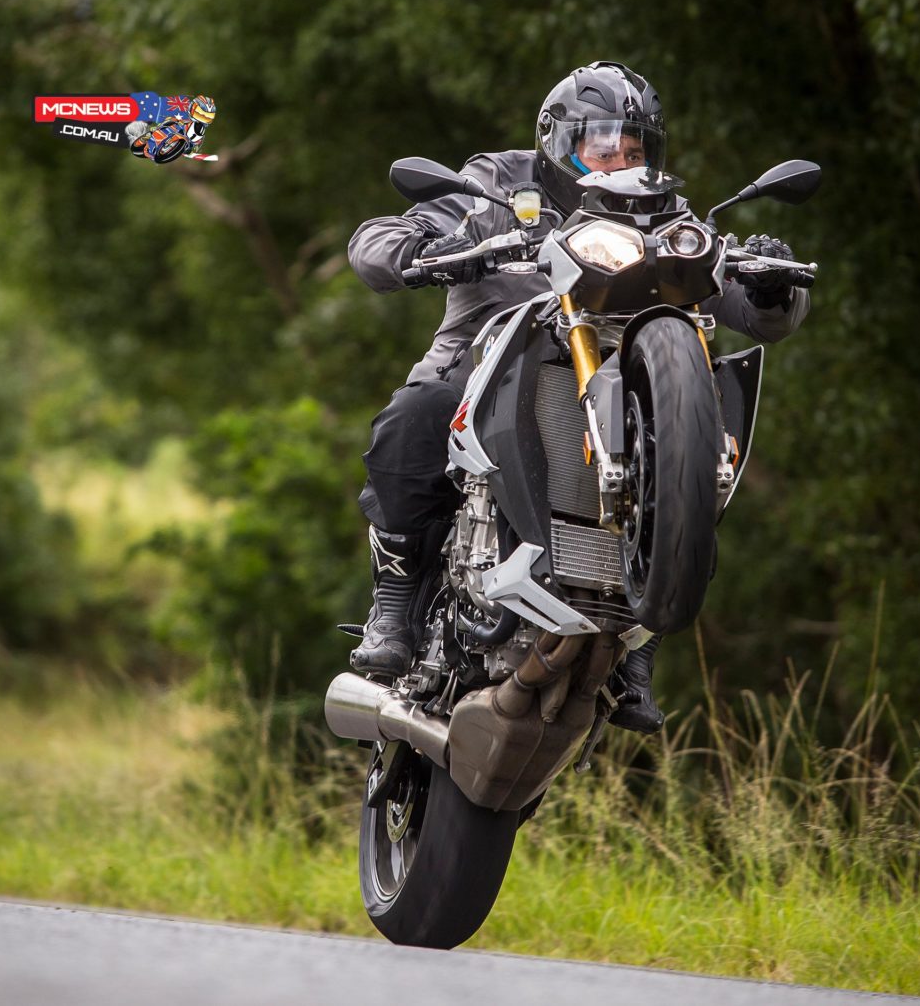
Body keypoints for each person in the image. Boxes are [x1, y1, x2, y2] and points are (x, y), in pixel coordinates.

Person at [346, 62, 811, 733]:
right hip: (488, 360)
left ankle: (636, 634)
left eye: (635, 146)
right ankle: (393, 601)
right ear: (558, 142)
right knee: (414, 416)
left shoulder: (664, 211)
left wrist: (770, 284)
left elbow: (753, 311)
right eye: (603, 143)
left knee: (696, 435)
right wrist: (434, 242)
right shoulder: (495, 182)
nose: (621, 159)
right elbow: (374, 241)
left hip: (618, 384)